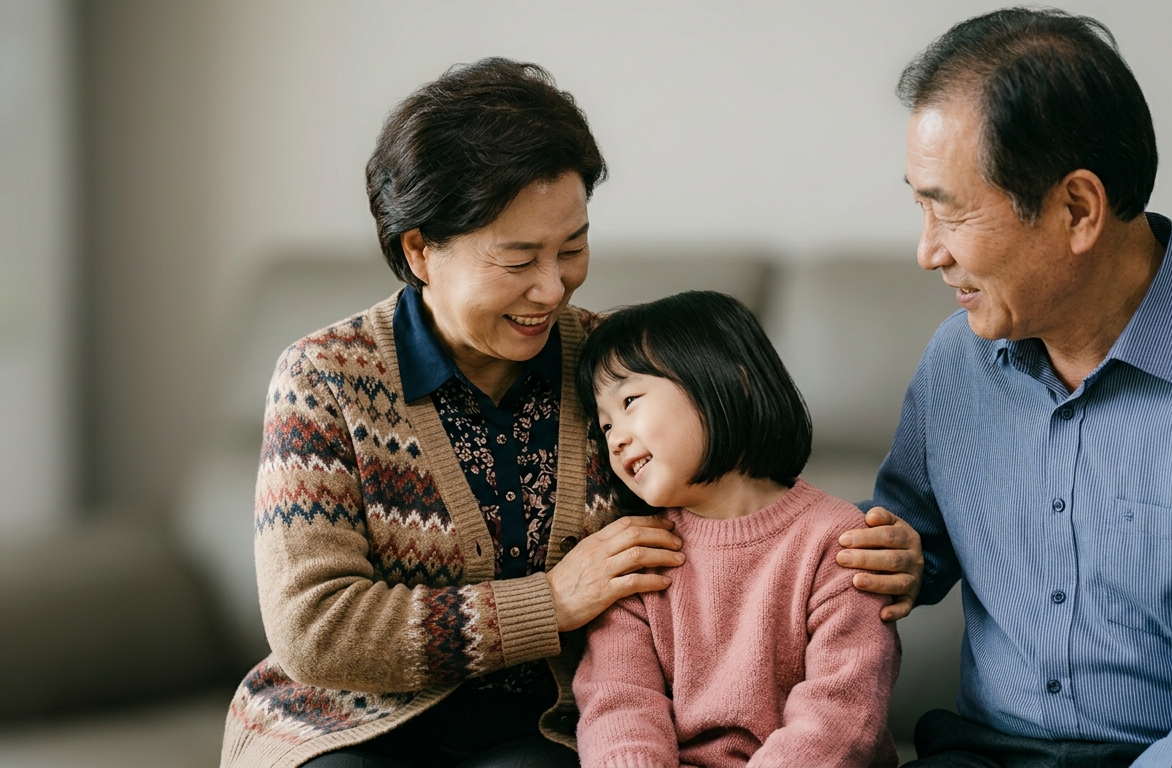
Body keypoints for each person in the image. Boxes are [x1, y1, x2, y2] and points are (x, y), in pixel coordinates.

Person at [219, 59, 923, 768]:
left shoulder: (616, 368)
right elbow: (315, 628)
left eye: (573, 248)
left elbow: (735, 498)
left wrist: (876, 546)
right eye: (518, 258)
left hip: (547, 728)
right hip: (347, 725)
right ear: (420, 250)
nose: (552, 288)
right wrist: (547, 602)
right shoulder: (325, 378)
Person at [872, 8, 1172, 767]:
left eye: (952, 210)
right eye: (920, 204)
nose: (926, 251)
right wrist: (895, 555)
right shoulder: (956, 361)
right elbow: (911, 544)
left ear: (1077, 209)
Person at [572, 291, 900, 767]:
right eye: (604, 426)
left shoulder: (837, 542)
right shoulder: (637, 552)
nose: (616, 437)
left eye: (630, 401)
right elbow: (619, 702)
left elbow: (839, 717)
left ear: (733, 383)